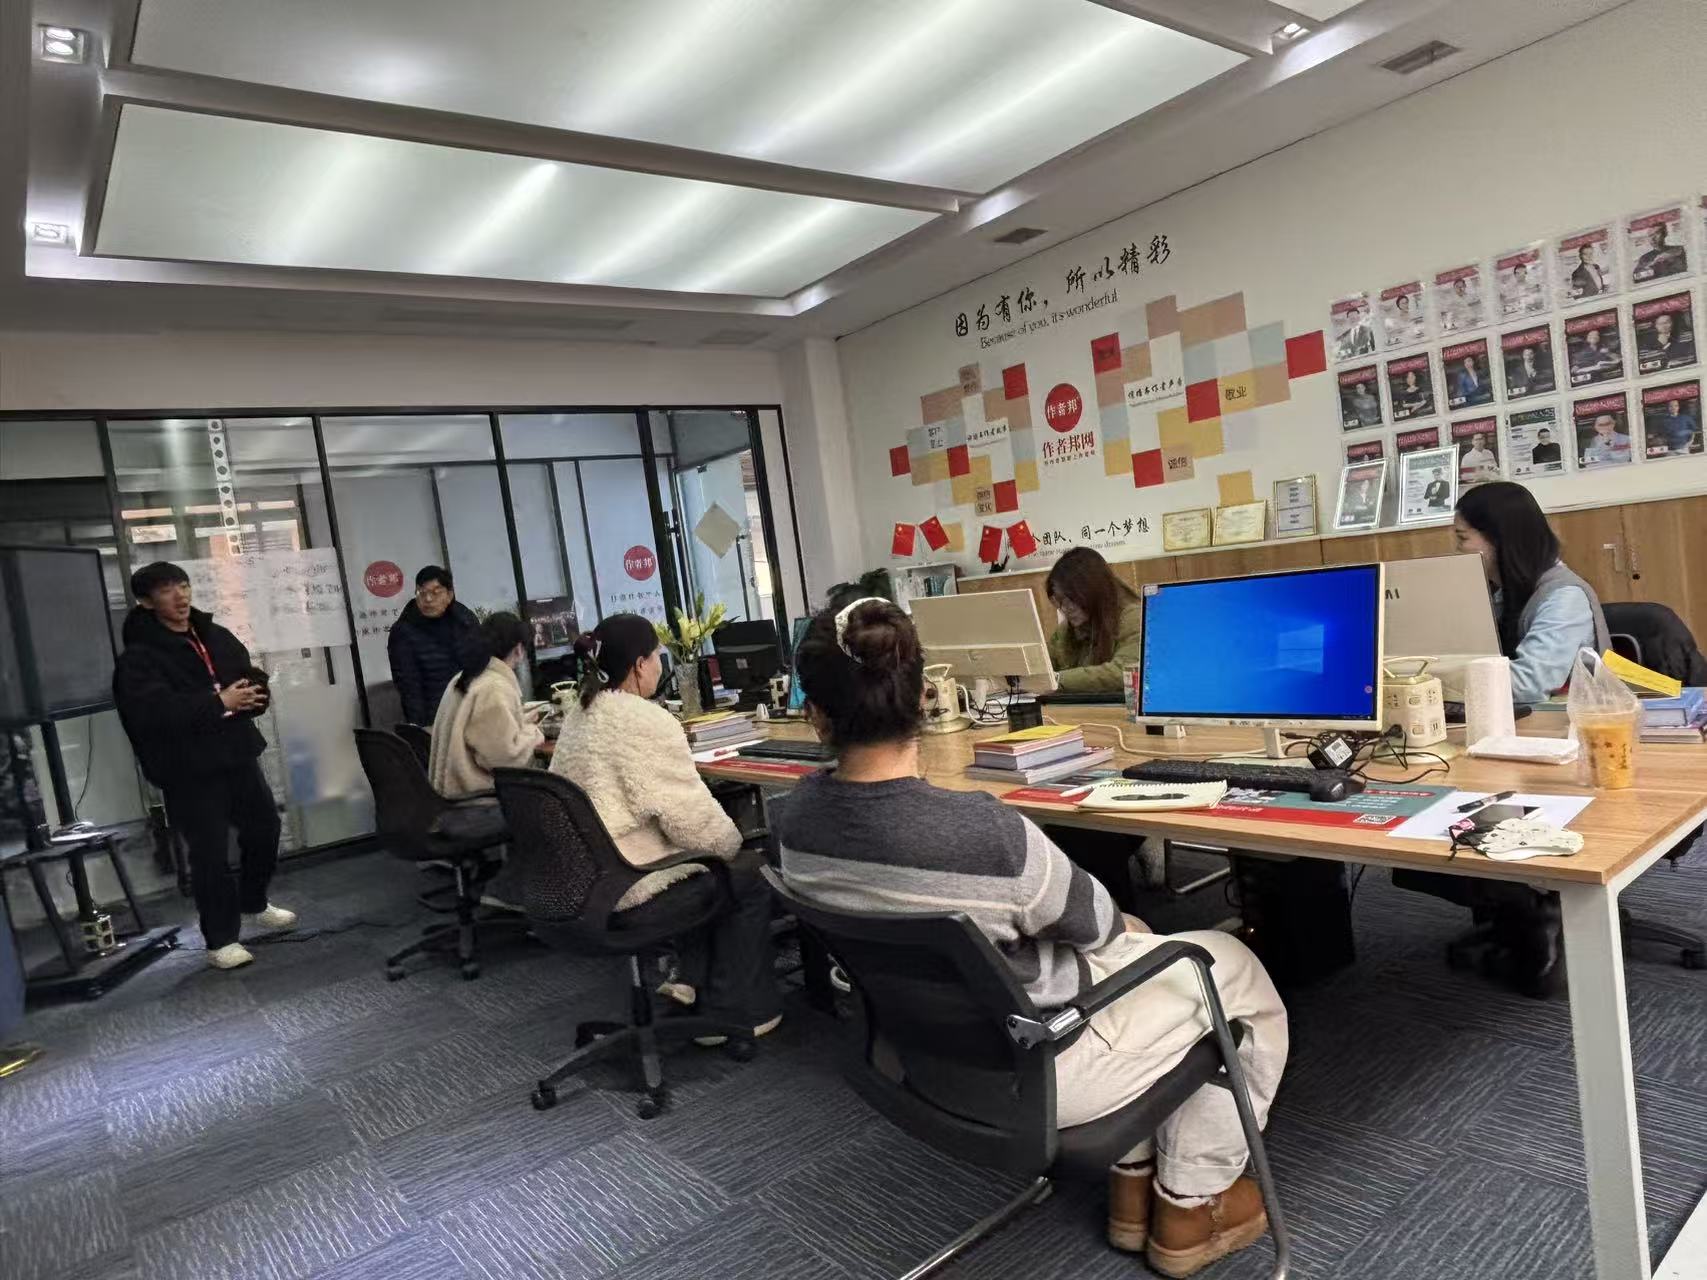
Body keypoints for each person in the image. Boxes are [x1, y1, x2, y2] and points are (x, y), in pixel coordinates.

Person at [773, 598, 1288, 1275]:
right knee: (1230, 967)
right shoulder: (986, 833)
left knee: (1135, 965)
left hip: (916, 1057)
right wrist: (1129, 931)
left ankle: (1132, 1187)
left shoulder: (793, 822)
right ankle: (1192, 1205)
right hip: (1043, 1070)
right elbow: (1101, 926)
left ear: (814, 714)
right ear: (924, 698)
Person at [1396, 484, 1610, 997]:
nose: (1458, 549)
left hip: (1565, 757)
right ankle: (1516, 904)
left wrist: (1431, 670)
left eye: (1463, 537)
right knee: (1415, 813)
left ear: (1499, 539)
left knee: (1449, 813)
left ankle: (1537, 910)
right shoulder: (1502, 592)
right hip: (1505, 742)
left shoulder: (1562, 597)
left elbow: (1526, 682)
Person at [549, 612, 780, 1038]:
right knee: (747, 870)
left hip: (574, 881)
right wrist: (735, 845)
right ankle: (733, 1012)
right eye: (657, 656)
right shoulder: (644, 721)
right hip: (623, 884)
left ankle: (690, 980)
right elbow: (690, 821)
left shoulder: (579, 716)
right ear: (640, 665)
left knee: (701, 863)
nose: (660, 664)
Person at [112, 562, 292, 971]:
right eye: (166, 590)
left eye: (183, 585)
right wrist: (217, 702)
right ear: (146, 602)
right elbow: (153, 713)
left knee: (265, 828)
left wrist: (254, 695)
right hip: (188, 768)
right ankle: (221, 939)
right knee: (210, 853)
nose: (180, 596)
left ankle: (253, 902)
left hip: (237, 752)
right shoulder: (140, 657)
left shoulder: (214, 634)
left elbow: (247, 675)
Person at [427, 612, 544, 797]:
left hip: (448, 794)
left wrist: (522, 720)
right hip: (475, 798)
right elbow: (504, 760)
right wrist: (533, 733)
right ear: (519, 649)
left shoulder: (466, 676)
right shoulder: (494, 687)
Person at [388, 565, 478, 726]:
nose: (428, 599)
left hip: (472, 711)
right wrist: (419, 728)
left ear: (449, 595)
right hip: (435, 719)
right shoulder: (403, 632)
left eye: (436, 592)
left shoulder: (466, 621)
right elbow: (409, 687)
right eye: (421, 593)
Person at [1044, 547, 1142, 695]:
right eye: (1059, 600)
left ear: (1092, 591)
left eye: (1071, 598)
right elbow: (1044, 665)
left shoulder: (1134, 617)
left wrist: (1056, 680)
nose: (1065, 608)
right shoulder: (1067, 629)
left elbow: (1122, 672)